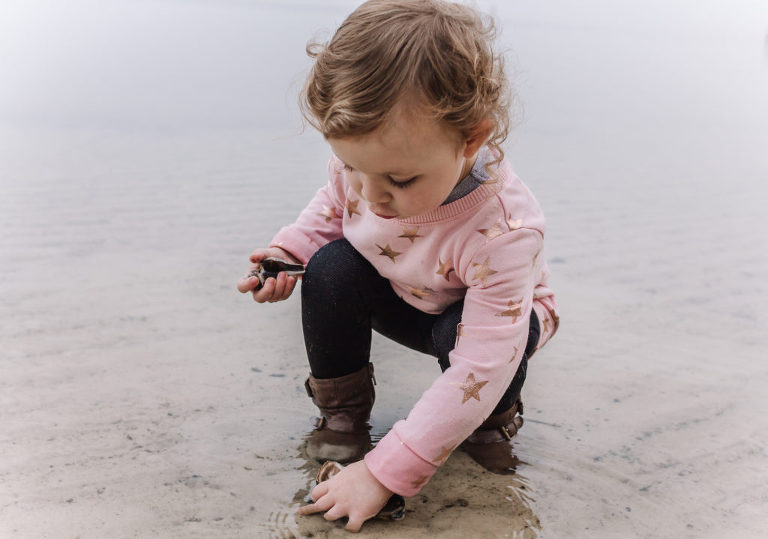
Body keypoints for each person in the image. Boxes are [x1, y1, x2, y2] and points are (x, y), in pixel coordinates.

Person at [237, 0, 559, 531]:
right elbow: (332, 206)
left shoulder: (504, 231)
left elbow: (482, 366)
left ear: (471, 138)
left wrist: (383, 474)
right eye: (353, 167)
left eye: (400, 180)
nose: (372, 195)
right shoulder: (371, 169)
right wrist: (289, 253)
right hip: (405, 290)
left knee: (462, 345)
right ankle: (342, 416)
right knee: (331, 268)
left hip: (488, 330)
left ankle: (489, 428)